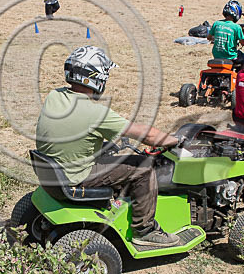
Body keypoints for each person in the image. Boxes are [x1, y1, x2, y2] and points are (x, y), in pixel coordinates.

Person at [36, 46, 181, 247]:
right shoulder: (96, 113)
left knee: (117, 154)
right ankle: (145, 230)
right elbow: (148, 135)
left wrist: (103, 145)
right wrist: (174, 140)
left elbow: (69, 131)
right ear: (96, 78)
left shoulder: (55, 95)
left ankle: (124, 201)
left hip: (54, 171)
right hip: (75, 177)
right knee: (143, 167)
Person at [206, 0, 244, 67]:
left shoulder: (216, 23)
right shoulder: (237, 27)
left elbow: (209, 37)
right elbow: (242, 42)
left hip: (216, 55)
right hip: (230, 56)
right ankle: (242, 76)